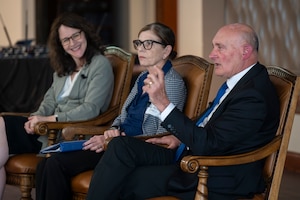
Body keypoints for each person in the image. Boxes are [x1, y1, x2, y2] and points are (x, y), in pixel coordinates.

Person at [85, 23, 280, 200]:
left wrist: (163, 103)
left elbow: (209, 145)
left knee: (125, 179)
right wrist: (179, 138)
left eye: (220, 47)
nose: (212, 55)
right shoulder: (242, 84)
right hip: (191, 152)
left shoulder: (253, 94)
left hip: (216, 173)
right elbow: (215, 130)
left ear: (245, 51)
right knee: (120, 146)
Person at [35, 22, 187, 200]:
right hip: (121, 143)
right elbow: (123, 115)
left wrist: (117, 139)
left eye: (148, 44)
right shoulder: (142, 78)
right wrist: (110, 132)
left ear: (166, 51)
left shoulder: (173, 83)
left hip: (147, 147)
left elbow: (163, 130)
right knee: (50, 164)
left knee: (117, 147)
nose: (141, 49)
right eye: (139, 43)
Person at [0, 12, 114, 199]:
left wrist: (49, 119)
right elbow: (49, 102)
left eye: (76, 35)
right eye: (66, 40)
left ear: (85, 33)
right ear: (60, 45)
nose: (73, 43)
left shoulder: (99, 65)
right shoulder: (63, 70)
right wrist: (34, 119)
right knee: (2, 123)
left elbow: (91, 108)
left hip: (72, 133)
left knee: (49, 165)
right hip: (48, 132)